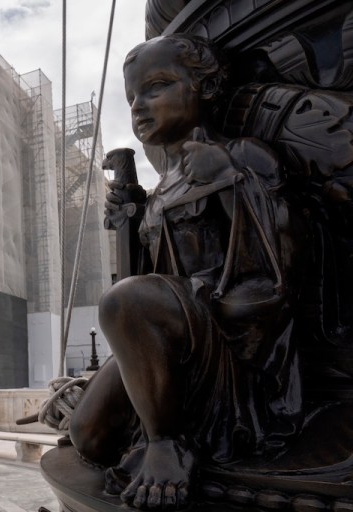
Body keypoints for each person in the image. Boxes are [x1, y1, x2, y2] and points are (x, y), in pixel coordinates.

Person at [69, 34, 307, 510]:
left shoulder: (243, 155)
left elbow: (277, 267)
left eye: (157, 87)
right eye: (133, 95)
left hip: (230, 338)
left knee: (124, 301)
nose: (139, 106)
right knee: (88, 435)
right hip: (173, 336)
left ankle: (167, 444)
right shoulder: (160, 191)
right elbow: (147, 290)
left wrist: (228, 179)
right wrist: (134, 219)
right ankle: (157, 423)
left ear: (207, 88)